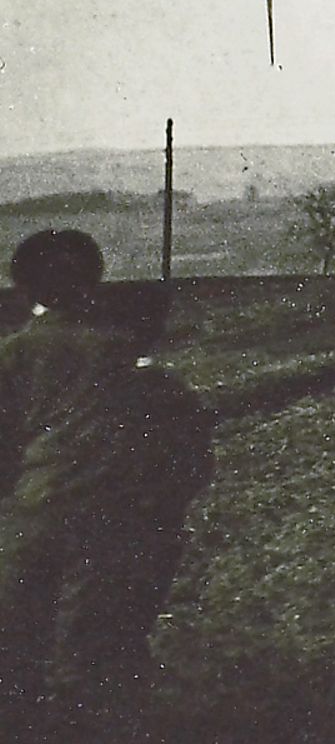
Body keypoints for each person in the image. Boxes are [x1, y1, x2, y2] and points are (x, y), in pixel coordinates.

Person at [48, 281, 215, 744]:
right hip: (151, 535)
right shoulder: (168, 390)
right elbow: (197, 466)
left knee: (84, 638)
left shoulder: (89, 392)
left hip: (103, 534)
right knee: (124, 632)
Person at [0, 229, 136, 739]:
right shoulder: (119, 353)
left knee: (17, 642)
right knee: (93, 650)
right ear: (92, 285)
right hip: (112, 516)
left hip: (33, 511)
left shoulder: (14, 353)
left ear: (26, 288)